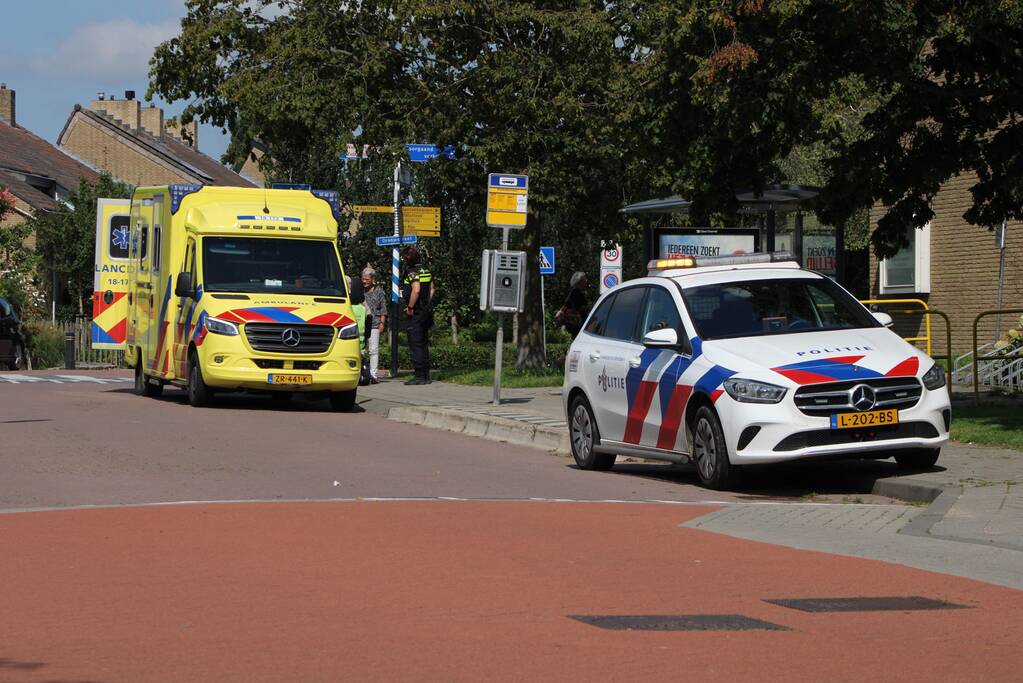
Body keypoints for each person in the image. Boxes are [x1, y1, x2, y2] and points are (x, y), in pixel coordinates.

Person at [401, 246, 434, 385]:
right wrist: (427, 304)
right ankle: (426, 376)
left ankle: (419, 376)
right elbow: (432, 289)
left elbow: (416, 289)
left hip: (416, 313)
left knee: (415, 343)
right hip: (426, 311)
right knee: (424, 343)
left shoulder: (412, 271)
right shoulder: (426, 269)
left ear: (408, 259)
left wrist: (410, 307)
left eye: (404, 258)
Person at [361, 266, 387, 384]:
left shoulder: (379, 291)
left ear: (372, 279)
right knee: (360, 350)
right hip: (361, 324)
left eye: (367, 279)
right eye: (363, 279)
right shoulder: (360, 291)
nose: (364, 281)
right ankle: (361, 374)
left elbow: (383, 309)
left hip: (375, 323)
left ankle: (373, 375)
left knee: (373, 350)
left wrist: (382, 322)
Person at [556, 271, 589, 337]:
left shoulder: (575, 291)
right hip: (578, 323)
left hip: (576, 323)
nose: (586, 280)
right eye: (585, 279)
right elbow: (576, 307)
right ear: (580, 281)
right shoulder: (576, 292)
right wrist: (590, 307)